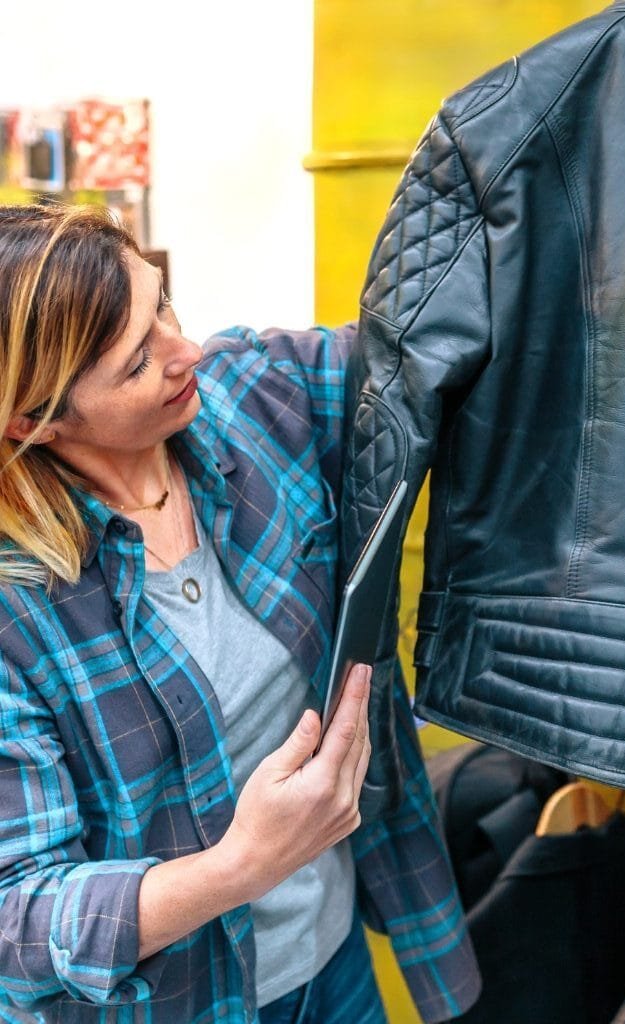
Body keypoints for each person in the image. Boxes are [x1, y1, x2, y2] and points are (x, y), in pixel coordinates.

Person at [0, 203, 480, 1023]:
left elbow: (427, 338)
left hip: (335, 965)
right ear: (32, 421)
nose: (184, 351)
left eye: (162, 304)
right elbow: (17, 918)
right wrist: (243, 866)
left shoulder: (259, 401)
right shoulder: (19, 613)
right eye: (136, 363)